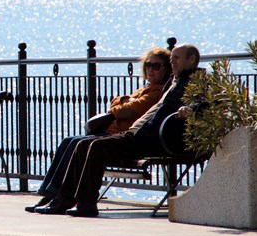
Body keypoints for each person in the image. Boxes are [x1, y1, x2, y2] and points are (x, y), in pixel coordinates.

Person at [40, 43, 201, 217]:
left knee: (95, 146)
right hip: (138, 133)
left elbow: (204, 101)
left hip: (149, 139)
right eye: (171, 58)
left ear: (191, 59)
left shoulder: (194, 82)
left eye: (176, 58)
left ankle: (85, 204)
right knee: (83, 144)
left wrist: (191, 108)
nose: (172, 62)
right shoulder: (174, 81)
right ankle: (64, 199)